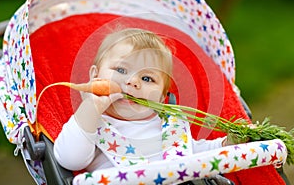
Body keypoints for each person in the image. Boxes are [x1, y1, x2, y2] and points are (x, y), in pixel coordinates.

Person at [54, 28, 236, 172]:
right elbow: (71, 160)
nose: (133, 82)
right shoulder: (91, 124)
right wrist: (90, 108)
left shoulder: (169, 125)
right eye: (121, 70)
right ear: (96, 76)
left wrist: (226, 145)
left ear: (162, 98)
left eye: (147, 79)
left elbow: (194, 153)